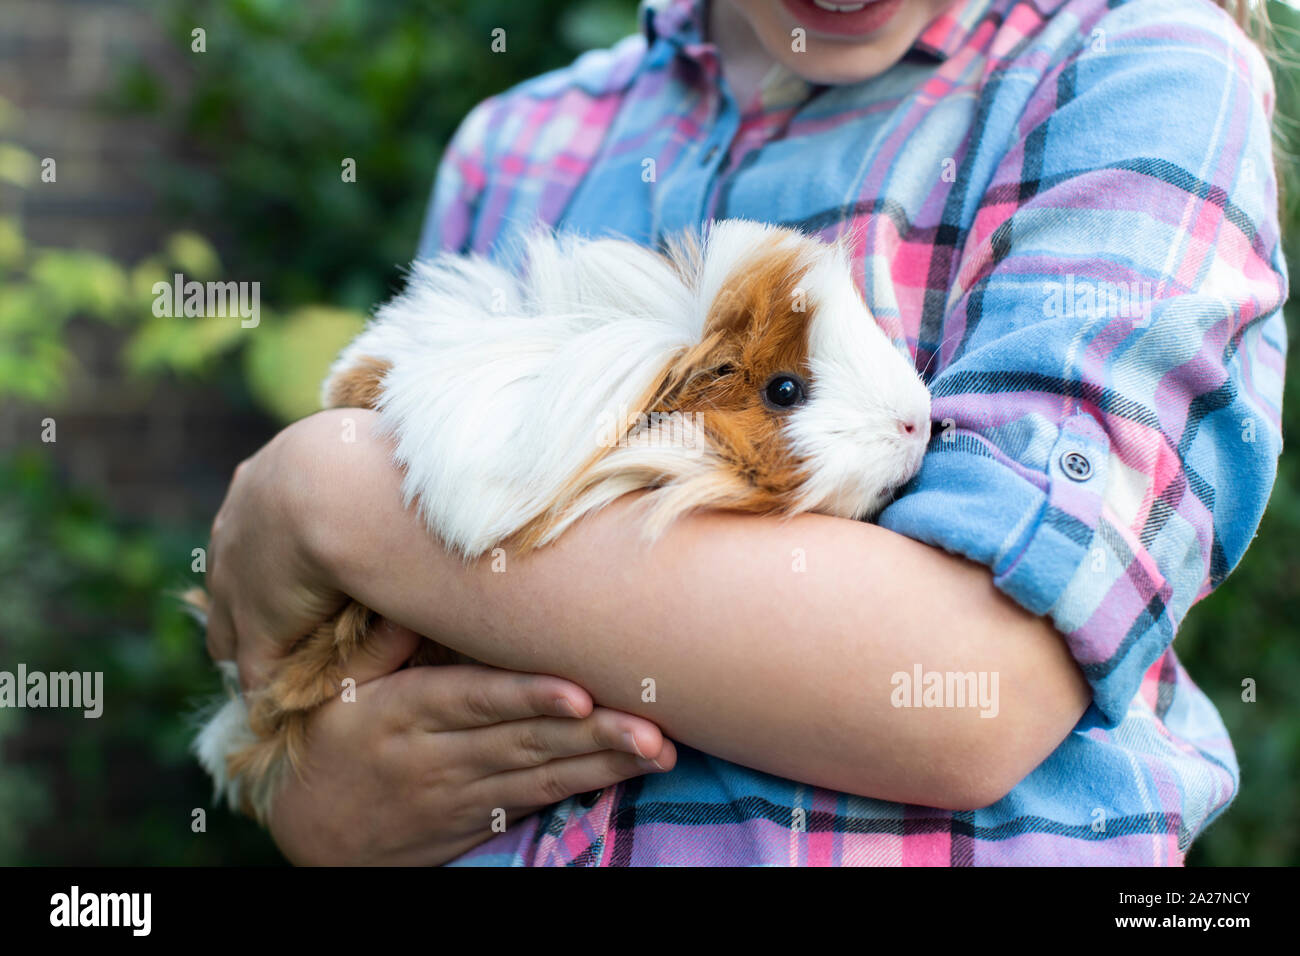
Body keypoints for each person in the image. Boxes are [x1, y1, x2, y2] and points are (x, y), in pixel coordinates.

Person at [203, 0, 1287, 865]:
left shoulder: (1131, 74)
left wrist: (333, 491)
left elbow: (977, 688)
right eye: (778, 395)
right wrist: (312, 802)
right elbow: (330, 688)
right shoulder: (515, 146)